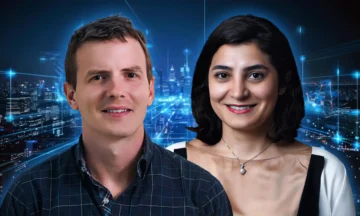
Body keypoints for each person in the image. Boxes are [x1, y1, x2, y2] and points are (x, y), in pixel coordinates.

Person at [0, 15, 232, 216]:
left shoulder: (202, 194)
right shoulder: (29, 196)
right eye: (98, 77)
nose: (116, 91)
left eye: (130, 75)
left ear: (151, 91)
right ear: (71, 95)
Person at [167, 15, 355, 216]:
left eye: (255, 75)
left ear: (283, 82)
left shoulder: (326, 172)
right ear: (207, 83)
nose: (238, 92)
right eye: (223, 75)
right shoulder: (168, 165)